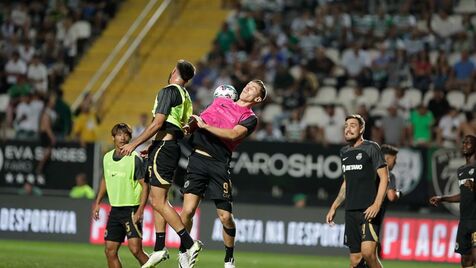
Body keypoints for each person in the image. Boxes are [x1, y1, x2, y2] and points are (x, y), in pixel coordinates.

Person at [120, 60, 202, 268]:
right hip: (166, 147)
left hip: (164, 149)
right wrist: (154, 144)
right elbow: (180, 127)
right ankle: (159, 248)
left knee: (158, 202)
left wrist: (135, 144)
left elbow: (157, 123)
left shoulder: (168, 91)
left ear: (174, 71)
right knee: (159, 199)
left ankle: (189, 243)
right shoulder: (186, 96)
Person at [180, 79, 267, 268]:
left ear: (258, 98)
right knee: (187, 211)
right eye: (247, 85)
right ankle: (184, 253)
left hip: (219, 163)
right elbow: (201, 118)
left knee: (226, 217)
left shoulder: (250, 117)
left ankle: (229, 259)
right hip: (197, 159)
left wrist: (205, 127)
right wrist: (191, 125)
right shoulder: (221, 101)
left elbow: (234, 134)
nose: (247, 88)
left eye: (252, 88)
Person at [326, 114, 389, 268]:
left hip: (369, 209)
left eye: (353, 125)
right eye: (346, 126)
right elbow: (346, 183)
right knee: (355, 261)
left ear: (362, 129)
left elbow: (385, 178)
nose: (348, 129)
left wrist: (376, 205)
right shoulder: (344, 152)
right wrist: (334, 206)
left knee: (368, 253)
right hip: (351, 211)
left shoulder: (371, 147)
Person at [92, 123, 150, 268]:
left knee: (136, 250)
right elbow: (105, 180)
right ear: (113, 137)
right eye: (119, 134)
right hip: (115, 210)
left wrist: (140, 210)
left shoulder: (134, 158)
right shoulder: (106, 158)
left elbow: (145, 185)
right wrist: (98, 203)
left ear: (130, 137)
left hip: (131, 209)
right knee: (110, 251)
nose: (123, 138)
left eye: (126, 135)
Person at [429, 135, 476, 268]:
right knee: (466, 262)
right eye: (463, 142)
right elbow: (464, 195)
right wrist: (442, 198)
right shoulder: (461, 170)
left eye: (468, 143)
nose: (464, 145)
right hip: (464, 221)